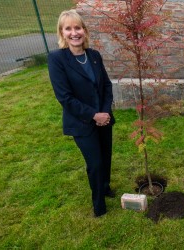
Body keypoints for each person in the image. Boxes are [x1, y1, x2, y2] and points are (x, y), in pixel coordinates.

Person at [48, 10, 116, 217]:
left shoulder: (94, 56)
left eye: (78, 28)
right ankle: (98, 205)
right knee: (94, 163)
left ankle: (104, 187)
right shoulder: (57, 59)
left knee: (105, 157)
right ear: (62, 32)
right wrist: (94, 115)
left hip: (103, 118)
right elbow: (65, 97)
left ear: (84, 31)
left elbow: (106, 85)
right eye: (68, 28)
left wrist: (104, 112)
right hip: (81, 122)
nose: (74, 33)